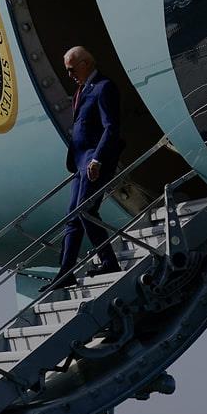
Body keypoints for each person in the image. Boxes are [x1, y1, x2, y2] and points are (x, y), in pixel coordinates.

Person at [42, 46, 124, 291]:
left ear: (85, 63)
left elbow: (111, 127)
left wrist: (97, 159)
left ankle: (109, 262)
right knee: (73, 216)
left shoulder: (103, 87)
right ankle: (66, 271)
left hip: (93, 161)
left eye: (71, 69)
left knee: (85, 210)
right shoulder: (82, 90)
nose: (69, 75)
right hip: (80, 162)